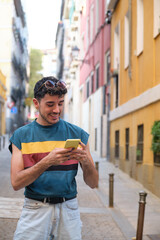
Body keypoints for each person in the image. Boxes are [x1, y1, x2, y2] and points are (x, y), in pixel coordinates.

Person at [9, 76, 98, 240]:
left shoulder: (77, 134)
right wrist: (47, 161)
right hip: (35, 208)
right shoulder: (21, 136)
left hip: (69, 209)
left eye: (61, 103)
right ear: (36, 103)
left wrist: (86, 162)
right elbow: (16, 183)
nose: (57, 109)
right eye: (50, 104)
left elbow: (93, 183)